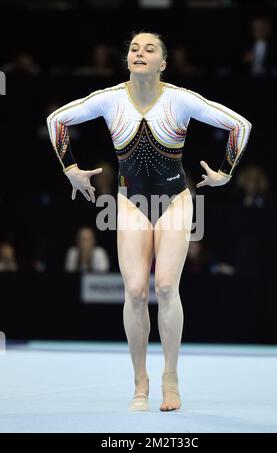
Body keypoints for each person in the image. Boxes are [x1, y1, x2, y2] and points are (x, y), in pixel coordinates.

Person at [46, 31, 251, 412]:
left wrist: (225, 172)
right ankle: (139, 382)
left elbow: (240, 126)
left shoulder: (179, 100)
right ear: (127, 61)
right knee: (137, 290)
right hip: (131, 202)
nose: (140, 53)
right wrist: (70, 168)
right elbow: (56, 120)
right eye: (134, 49)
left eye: (149, 49)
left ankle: (170, 378)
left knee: (167, 287)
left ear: (163, 63)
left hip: (175, 200)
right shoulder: (109, 100)